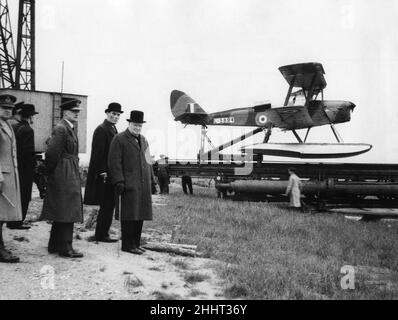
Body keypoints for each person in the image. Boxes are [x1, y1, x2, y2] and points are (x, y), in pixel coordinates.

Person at [41, 99, 84, 258]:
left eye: (78, 111)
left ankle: (54, 245)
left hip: (67, 170)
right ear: (65, 112)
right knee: (67, 209)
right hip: (64, 172)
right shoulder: (61, 128)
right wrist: (51, 173)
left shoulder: (68, 128)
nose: (77, 113)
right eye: (74, 111)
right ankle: (65, 248)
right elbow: (52, 153)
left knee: (63, 208)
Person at [108, 110, 153, 255]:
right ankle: (127, 245)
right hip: (128, 184)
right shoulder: (119, 139)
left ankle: (136, 243)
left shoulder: (144, 140)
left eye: (140, 125)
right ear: (129, 123)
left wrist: (152, 180)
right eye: (135, 125)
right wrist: (119, 181)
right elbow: (114, 162)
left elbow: (148, 161)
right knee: (129, 215)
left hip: (143, 184)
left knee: (140, 214)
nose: (137, 128)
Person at [84, 102, 123, 242]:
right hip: (105, 174)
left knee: (109, 204)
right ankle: (101, 234)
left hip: (111, 173)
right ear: (107, 113)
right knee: (107, 205)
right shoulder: (101, 129)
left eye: (118, 115)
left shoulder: (112, 128)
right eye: (113, 114)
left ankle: (103, 233)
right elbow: (98, 153)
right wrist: (102, 171)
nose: (115, 117)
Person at [7, 103, 39, 230]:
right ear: (30, 116)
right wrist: (34, 165)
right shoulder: (28, 130)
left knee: (15, 194)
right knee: (25, 195)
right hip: (25, 169)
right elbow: (28, 152)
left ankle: (11, 220)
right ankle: (18, 222)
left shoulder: (14, 127)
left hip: (15, 167)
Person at [0, 94, 23, 263]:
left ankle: (1, 246)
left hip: (9, 176)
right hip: (1, 176)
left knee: (2, 216)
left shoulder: (7, 124)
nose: (8, 111)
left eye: (10, 109)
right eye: (4, 108)